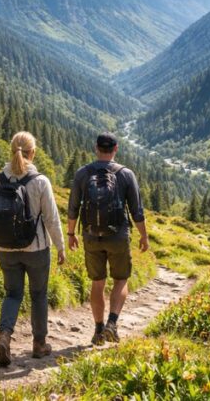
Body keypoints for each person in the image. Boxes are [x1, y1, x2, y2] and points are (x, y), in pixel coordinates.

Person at [0, 132, 66, 367]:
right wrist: (60, 247)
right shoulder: (40, 181)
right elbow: (51, 219)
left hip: (6, 249)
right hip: (37, 249)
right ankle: (39, 345)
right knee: (38, 294)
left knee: (12, 294)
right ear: (33, 153)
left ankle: (4, 336)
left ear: (11, 151)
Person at [67, 132, 149, 346]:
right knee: (121, 279)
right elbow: (137, 211)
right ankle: (112, 323)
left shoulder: (82, 174)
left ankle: (98, 330)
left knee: (97, 282)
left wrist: (71, 233)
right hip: (118, 236)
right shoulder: (125, 174)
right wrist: (143, 236)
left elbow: (73, 207)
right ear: (116, 149)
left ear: (96, 148)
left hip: (91, 236)